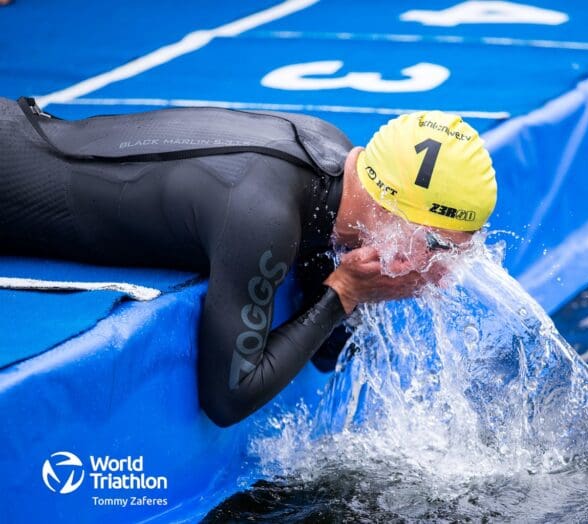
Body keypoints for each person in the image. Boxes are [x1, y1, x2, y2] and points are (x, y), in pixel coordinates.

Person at [0, 97, 497, 427]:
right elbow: (228, 396)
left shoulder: (336, 163)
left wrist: (357, 275)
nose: (448, 272)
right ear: (393, 214)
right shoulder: (263, 215)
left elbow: (329, 355)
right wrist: (345, 291)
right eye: (439, 248)